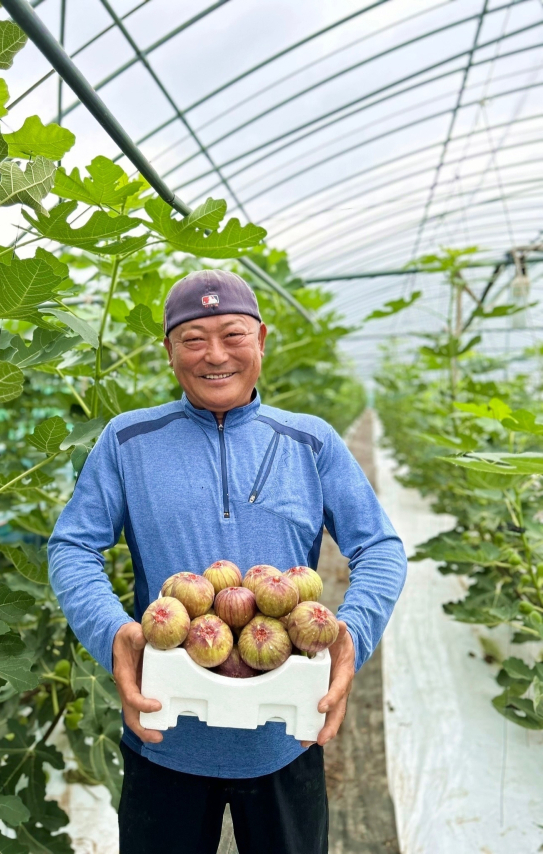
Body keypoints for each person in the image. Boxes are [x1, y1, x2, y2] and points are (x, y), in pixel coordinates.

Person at [48, 269, 407, 854]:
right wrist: (112, 632)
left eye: (233, 335)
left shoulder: (310, 442)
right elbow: (73, 546)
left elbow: (380, 547)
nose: (214, 355)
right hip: (164, 729)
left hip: (283, 733)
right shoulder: (127, 440)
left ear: (261, 340)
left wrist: (353, 632)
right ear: (168, 351)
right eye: (192, 339)